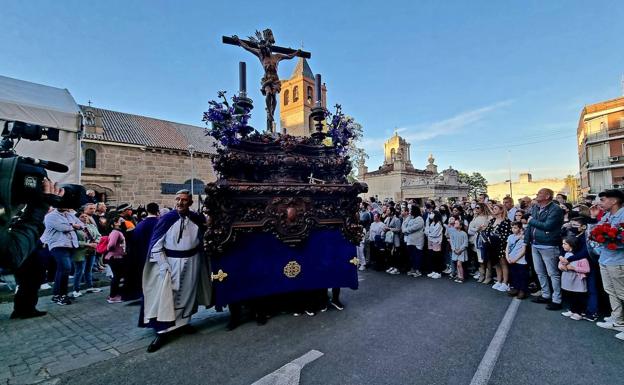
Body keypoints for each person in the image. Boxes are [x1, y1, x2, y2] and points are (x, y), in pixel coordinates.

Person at [142, 190, 212, 353]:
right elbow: (156, 244)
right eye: (178, 199)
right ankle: (162, 332)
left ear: (190, 203)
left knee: (188, 293)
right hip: (171, 263)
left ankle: (184, 323)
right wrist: (163, 265)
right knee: (168, 297)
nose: (180, 202)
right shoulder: (168, 219)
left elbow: (205, 234)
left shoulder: (196, 218)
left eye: (184, 200)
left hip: (193, 260)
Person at [591, 189, 624, 339]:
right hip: (605, 258)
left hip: (618, 260)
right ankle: (618, 319)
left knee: (622, 292)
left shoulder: (622, 215)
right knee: (611, 291)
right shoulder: (607, 215)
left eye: (603, 200)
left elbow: (620, 238)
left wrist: (609, 240)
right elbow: (596, 231)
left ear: (614, 201)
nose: (600, 203)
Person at [525, 188, 565, 310]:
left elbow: (548, 225)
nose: (537, 195)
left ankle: (557, 299)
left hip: (549, 244)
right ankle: (546, 294)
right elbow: (531, 226)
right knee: (540, 272)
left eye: (540, 193)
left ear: (547, 196)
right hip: (535, 244)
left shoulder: (555, 209)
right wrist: (527, 240)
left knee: (553, 273)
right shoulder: (536, 207)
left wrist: (532, 221)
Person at [42, 204, 84, 305]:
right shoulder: (50, 216)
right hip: (58, 245)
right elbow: (62, 228)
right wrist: (73, 226)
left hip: (70, 245)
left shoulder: (70, 215)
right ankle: (62, 295)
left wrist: (74, 225)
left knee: (61, 270)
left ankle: (57, 295)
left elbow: (81, 225)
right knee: (66, 268)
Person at [558, 236, 590, 321]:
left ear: (571, 245)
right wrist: (561, 266)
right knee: (570, 294)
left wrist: (573, 268)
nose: (563, 245)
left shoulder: (580, 257)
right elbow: (560, 264)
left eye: (565, 244)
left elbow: (587, 269)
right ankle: (572, 310)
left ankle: (578, 312)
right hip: (568, 279)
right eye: (562, 243)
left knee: (578, 296)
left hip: (577, 280)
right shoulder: (565, 254)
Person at [484, 203, 513, 292]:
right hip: (491, 245)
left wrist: (496, 237)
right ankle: (499, 280)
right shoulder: (492, 221)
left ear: (501, 210)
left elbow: (507, 234)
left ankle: (505, 282)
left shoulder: (506, 221)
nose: (493, 210)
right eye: (493, 208)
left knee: (503, 263)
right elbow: (487, 231)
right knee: (496, 263)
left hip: (501, 245)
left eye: (495, 208)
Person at [71, 211, 100, 298]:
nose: (85, 218)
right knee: (79, 271)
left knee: (89, 270)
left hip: (91, 250)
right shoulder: (75, 228)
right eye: (82, 217)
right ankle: (76, 289)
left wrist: (95, 242)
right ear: (77, 219)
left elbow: (99, 235)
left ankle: (90, 286)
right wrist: (87, 244)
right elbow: (74, 241)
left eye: (86, 216)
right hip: (80, 251)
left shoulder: (91, 226)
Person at [105, 216, 126, 304]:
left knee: (117, 276)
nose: (122, 221)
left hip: (116, 256)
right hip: (115, 257)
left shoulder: (116, 232)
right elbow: (111, 245)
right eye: (120, 220)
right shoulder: (116, 232)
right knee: (116, 277)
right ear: (115, 223)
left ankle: (113, 295)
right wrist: (119, 249)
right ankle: (113, 296)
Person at [468, 203, 491, 282]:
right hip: (477, 239)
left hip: (486, 239)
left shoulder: (489, 217)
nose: (476, 209)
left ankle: (488, 276)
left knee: (487, 258)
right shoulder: (475, 218)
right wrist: (477, 229)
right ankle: (482, 274)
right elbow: (470, 229)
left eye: (478, 207)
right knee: (480, 258)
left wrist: (484, 229)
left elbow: (490, 227)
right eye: (475, 208)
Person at [506, 221, 528, 299]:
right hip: (511, 259)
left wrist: (516, 259)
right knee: (513, 274)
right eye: (512, 227)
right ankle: (515, 288)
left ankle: (522, 290)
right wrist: (507, 257)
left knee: (521, 276)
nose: (513, 229)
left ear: (520, 228)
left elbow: (523, 250)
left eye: (515, 228)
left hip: (520, 261)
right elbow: (507, 248)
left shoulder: (523, 238)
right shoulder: (510, 236)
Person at [402, 205, 424, 277]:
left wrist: (405, 230)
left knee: (417, 256)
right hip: (410, 240)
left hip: (418, 241)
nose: (410, 211)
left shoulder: (419, 219)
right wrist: (408, 218)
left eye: (411, 210)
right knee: (411, 256)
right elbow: (404, 224)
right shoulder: (410, 218)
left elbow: (414, 228)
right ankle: (413, 269)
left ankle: (417, 270)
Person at [383, 207, 402, 275]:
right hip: (389, 238)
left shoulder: (397, 219)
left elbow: (398, 229)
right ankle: (392, 266)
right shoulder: (387, 219)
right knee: (390, 254)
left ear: (392, 212)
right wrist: (385, 229)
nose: (387, 211)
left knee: (395, 253)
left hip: (395, 238)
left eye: (388, 210)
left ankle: (397, 268)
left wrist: (389, 229)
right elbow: (385, 226)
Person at [425, 211, 444, 279]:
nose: (431, 215)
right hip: (431, 241)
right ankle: (434, 271)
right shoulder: (432, 222)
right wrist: (429, 233)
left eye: (432, 213)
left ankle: (438, 272)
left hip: (437, 242)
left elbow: (435, 233)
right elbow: (427, 230)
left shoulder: (439, 224)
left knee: (437, 257)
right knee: (432, 256)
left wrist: (429, 234)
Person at [449, 219, 468, 283]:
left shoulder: (464, 233)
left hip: (461, 252)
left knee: (459, 264)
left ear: (460, 226)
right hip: (455, 251)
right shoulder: (452, 233)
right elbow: (451, 242)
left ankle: (462, 277)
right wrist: (454, 249)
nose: (455, 224)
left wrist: (460, 249)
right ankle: (458, 276)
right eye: (455, 223)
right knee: (457, 264)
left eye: (457, 223)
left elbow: (465, 243)